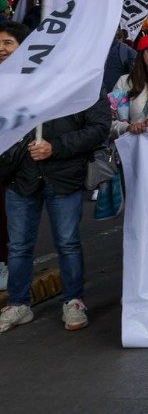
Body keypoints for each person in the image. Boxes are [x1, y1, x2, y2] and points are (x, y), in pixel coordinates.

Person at [0, 97, 113, 333]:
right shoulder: (18, 81)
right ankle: (18, 303)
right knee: (19, 246)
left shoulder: (82, 81)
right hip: (20, 177)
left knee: (68, 243)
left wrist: (55, 147)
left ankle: (73, 301)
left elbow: (98, 127)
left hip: (65, 176)